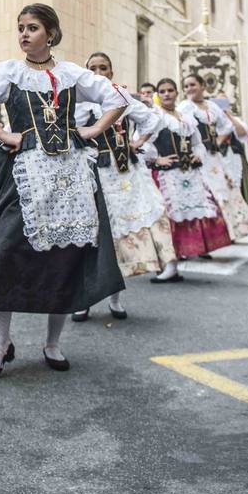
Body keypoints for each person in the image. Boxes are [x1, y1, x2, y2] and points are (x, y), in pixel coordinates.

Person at [0, 5, 126, 379]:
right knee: (4, 254)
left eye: (32, 27)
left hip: (69, 179)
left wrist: (94, 131)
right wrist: (3, 135)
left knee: (63, 260)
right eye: (20, 28)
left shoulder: (71, 75)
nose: (24, 34)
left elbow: (117, 99)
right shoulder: (9, 73)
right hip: (23, 175)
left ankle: (52, 343)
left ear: (50, 33)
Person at [71, 52, 173, 318]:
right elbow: (68, 129)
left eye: (103, 67)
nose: (98, 72)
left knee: (120, 236)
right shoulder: (80, 101)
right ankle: (84, 299)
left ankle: (115, 298)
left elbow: (154, 120)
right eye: (92, 68)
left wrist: (137, 143)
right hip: (94, 172)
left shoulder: (122, 98)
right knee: (92, 234)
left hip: (125, 173)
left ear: (111, 72)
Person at [147, 77, 232, 265]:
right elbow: (142, 143)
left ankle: (189, 251)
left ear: (177, 93)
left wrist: (198, 154)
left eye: (170, 90)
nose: (167, 94)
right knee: (169, 216)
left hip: (189, 172)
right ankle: (170, 260)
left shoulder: (186, 118)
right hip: (166, 175)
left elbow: (198, 143)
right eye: (162, 91)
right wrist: (156, 159)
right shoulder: (155, 116)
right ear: (158, 95)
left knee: (192, 214)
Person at [179, 76, 248, 240]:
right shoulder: (185, 107)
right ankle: (212, 233)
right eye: (186, 86)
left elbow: (226, 126)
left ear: (202, 86)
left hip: (214, 156)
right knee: (207, 191)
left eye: (193, 85)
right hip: (198, 157)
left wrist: (218, 141)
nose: (189, 88)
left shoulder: (212, 106)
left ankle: (230, 230)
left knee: (224, 189)